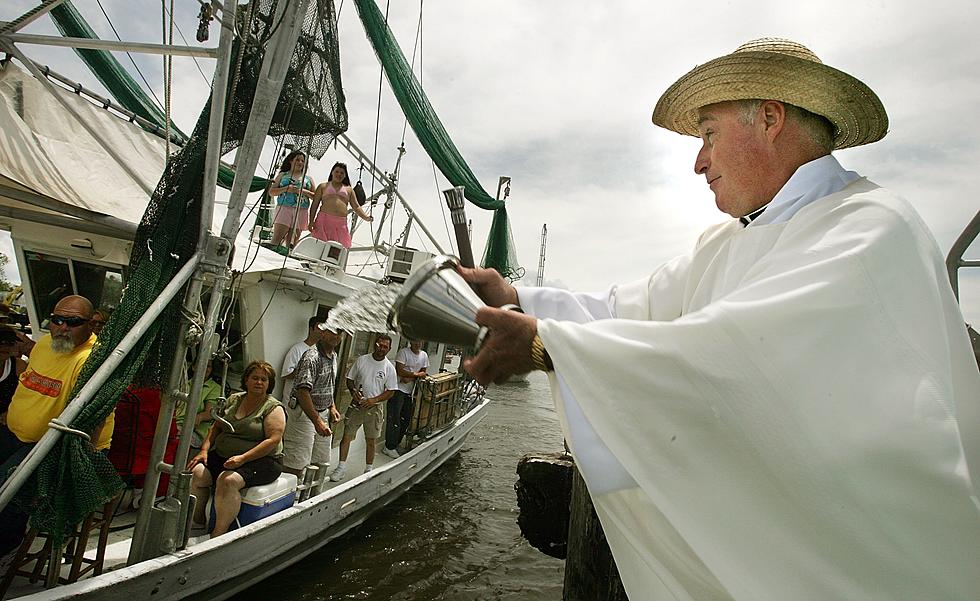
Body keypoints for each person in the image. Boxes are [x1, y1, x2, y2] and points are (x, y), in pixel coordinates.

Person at [459, 39, 980, 601]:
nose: (698, 161)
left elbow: (742, 354)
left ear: (772, 119)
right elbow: (628, 308)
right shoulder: (730, 241)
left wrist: (547, 347)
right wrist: (517, 298)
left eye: (708, 134)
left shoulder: (871, 228)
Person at [0, 295, 114, 559]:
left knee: (6, 489)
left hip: (55, 448)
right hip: (15, 435)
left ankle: (6, 543)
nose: (62, 327)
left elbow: (86, 422)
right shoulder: (45, 345)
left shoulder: (90, 360)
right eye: (57, 320)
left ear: (90, 326)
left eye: (72, 322)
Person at [187, 360, 285, 538]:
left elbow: (273, 440)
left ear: (269, 384)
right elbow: (216, 427)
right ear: (246, 380)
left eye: (264, 379)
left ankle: (218, 534)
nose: (259, 382)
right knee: (197, 473)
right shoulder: (234, 399)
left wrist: (243, 459)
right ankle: (198, 521)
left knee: (228, 480)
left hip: (262, 461)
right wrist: (203, 451)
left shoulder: (273, 407)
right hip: (226, 455)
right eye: (255, 378)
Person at [329, 334, 397, 482]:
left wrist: (374, 400)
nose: (381, 348)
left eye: (385, 346)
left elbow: (391, 391)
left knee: (371, 440)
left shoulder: (389, 368)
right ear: (375, 344)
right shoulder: (362, 360)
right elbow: (350, 379)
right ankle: (341, 467)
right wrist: (353, 392)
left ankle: (368, 469)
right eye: (379, 345)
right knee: (346, 435)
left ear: (389, 349)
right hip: (357, 406)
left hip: (374, 408)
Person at [281, 327, 343, 476]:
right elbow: (303, 392)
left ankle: (310, 496)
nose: (336, 336)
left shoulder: (334, 356)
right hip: (304, 414)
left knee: (320, 461)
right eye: (333, 331)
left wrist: (332, 407)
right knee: (297, 462)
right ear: (322, 333)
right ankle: (292, 497)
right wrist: (317, 421)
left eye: (340, 333)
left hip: (323, 413)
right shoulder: (311, 357)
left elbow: (328, 385)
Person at [309, 162, 373, 248]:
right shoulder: (323, 186)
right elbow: (314, 205)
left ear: (345, 175)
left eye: (342, 173)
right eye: (337, 172)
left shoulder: (349, 190)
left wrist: (366, 217)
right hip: (323, 220)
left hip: (340, 223)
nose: (339, 174)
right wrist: (311, 221)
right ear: (332, 172)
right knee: (319, 246)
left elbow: (356, 206)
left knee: (337, 248)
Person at [382, 339, 428, 458]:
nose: (417, 343)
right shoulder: (403, 353)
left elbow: (423, 372)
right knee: (394, 418)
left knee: (406, 419)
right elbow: (400, 370)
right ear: (411, 342)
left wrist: (411, 377)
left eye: (419, 342)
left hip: (410, 392)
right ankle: (389, 446)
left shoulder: (424, 355)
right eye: (415, 341)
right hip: (397, 389)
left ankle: (396, 444)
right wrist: (415, 375)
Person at [268, 150, 315, 248]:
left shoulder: (308, 179)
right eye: (297, 160)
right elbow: (271, 192)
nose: (300, 163)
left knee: (292, 243)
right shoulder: (282, 175)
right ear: (291, 161)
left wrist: (303, 192)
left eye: (303, 161)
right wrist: (286, 189)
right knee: (276, 239)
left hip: (301, 211)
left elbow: (314, 196)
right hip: (284, 208)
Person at [280, 316, 323, 403]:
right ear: (311, 329)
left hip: (310, 403)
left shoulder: (321, 353)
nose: (322, 332)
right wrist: (304, 370)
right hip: (292, 402)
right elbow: (286, 374)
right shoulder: (297, 349)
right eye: (319, 328)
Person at [0, 327, 27, 428]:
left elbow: (27, 396)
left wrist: (10, 412)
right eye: (1, 342)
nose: (5, 347)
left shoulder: (19, 366)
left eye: (10, 343)